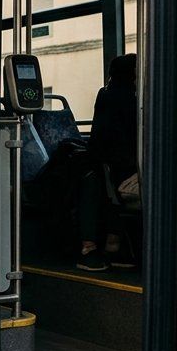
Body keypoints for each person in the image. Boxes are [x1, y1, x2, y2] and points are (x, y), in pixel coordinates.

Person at [76, 54, 138, 272]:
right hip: (112, 162)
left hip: (106, 161)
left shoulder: (106, 94)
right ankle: (104, 245)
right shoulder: (128, 97)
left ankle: (112, 245)